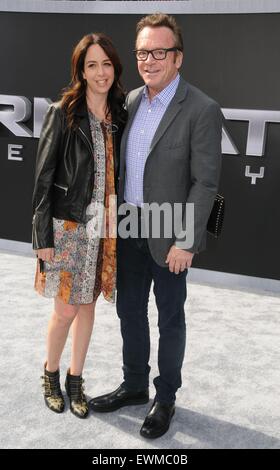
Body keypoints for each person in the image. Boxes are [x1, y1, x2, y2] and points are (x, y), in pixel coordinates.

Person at [89, 14, 222, 438]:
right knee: (129, 312)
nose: (149, 60)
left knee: (170, 319)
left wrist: (186, 241)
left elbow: (206, 183)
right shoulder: (128, 101)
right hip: (129, 224)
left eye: (159, 52)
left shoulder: (201, 109)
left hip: (170, 234)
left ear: (177, 58)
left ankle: (165, 398)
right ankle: (133, 387)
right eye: (143, 52)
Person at [32, 33, 126, 418]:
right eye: (92, 65)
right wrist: (42, 236)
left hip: (103, 231)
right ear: (81, 71)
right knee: (66, 310)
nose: (100, 72)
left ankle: (76, 380)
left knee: (88, 309)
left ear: (114, 68)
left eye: (106, 64)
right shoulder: (63, 111)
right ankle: (50, 375)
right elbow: (43, 177)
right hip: (67, 227)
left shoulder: (119, 114)